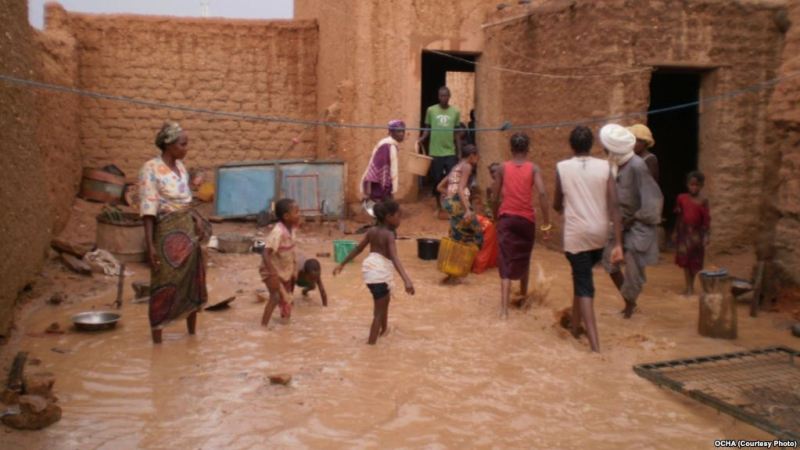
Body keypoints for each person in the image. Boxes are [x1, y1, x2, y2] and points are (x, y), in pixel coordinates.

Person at [553, 126, 624, 352]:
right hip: (599, 234)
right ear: (591, 145)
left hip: (577, 235)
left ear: (571, 146)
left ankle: (595, 347)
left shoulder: (563, 168)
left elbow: (556, 203)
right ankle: (575, 327)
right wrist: (619, 243)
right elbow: (615, 206)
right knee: (581, 276)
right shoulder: (605, 168)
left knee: (585, 287)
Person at [140, 121, 211, 344]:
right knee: (164, 282)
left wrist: (197, 219)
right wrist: (150, 246)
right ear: (169, 145)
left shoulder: (181, 168)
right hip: (167, 232)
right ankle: (158, 341)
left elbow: (186, 202)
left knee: (192, 281)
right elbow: (148, 208)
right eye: (183, 144)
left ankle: (191, 336)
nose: (186, 148)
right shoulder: (150, 168)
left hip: (188, 232)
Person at [600, 124, 664, 319]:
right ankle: (630, 302)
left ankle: (629, 308)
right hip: (621, 224)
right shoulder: (615, 165)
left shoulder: (638, 165)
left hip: (637, 226)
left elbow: (652, 200)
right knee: (609, 263)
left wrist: (634, 218)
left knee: (633, 271)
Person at [333, 200, 415, 345]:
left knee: (384, 301)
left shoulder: (371, 231)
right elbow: (395, 257)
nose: (400, 220)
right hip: (380, 274)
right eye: (398, 216)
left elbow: (358, 249)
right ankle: (371, 345)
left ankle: (384, 330)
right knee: (378, 313)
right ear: (389, 217)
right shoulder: (389, 235)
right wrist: (406, 280)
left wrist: (342, 264)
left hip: (370, 273)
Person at [492, 133, 552, 319]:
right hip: (527, 220)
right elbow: (542, 194)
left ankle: (503, 311)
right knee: (524, 256)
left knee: (505, 260)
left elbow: (494, 196)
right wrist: (547, 223)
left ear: (511, 149)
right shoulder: (533, 168)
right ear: (527, 149)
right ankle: (524, 297)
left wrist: (496, 217)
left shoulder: (502, 168)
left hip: (507, 218)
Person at [418, 86, 462, 213]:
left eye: (446, 96)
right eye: (441, 96)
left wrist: (459, 153)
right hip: (435, 152)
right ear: (438, 96)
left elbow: (457, 134)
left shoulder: (456, 111)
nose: (444, 98)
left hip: (450, 152)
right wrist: (421, 139)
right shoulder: (431, 110)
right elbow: (427, 128)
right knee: (437, 180)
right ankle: (439, 205)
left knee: (452, 180)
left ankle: (452, 205)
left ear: (449, 96)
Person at [260, 198, 301, 326]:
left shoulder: (292, 228)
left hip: (285, 270)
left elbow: (292, 249)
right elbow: (265, 253)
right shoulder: (278, 232)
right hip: (270, 270)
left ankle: (285, 325)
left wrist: (295, 268)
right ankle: (263, 327)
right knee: (275, 297)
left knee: (288, 299)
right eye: (296, 212)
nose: (299, 214)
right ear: (286, 216)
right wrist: (272, 272)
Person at [674, 171, 710, 296]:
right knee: (685, 261)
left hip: (696, 235)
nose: (693, 187)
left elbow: (706, 220)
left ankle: (691, 285)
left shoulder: (703, 200)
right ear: (687, 185)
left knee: (694, 262)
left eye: (696, 185)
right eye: (691, 184)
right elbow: (679, 216)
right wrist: (675, 232)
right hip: (684, 234)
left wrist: (706, 236)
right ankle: (688, 286)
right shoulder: (681, 198)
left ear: (701, 186)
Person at [360, 120, 405, 203]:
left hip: (383, 182)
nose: (402, 134)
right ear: (391, 132)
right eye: (398, 131)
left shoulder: (391, 144)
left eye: (403, 131)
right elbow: (382, 166)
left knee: (384, 204)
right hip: (380, 182)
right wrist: (386, 184)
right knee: (380, 204)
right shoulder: (386, 146)